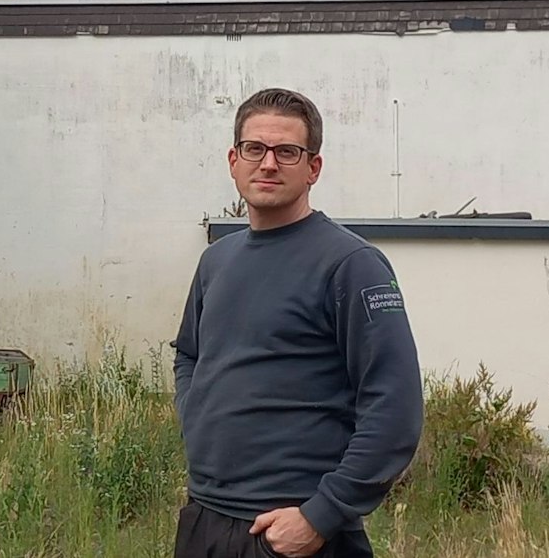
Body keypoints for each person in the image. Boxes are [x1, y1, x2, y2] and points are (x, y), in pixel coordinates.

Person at [170, 87, 423, 558]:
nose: (268, 164)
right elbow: (189, 353)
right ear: (233, 159)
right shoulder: (216, 261)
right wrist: (194, 414)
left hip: (292, 535)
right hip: (204, 519)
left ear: (313, 168)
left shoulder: (352, 265)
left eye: (287, 152)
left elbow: (395, 406)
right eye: (255, 149)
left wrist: (323, 514)